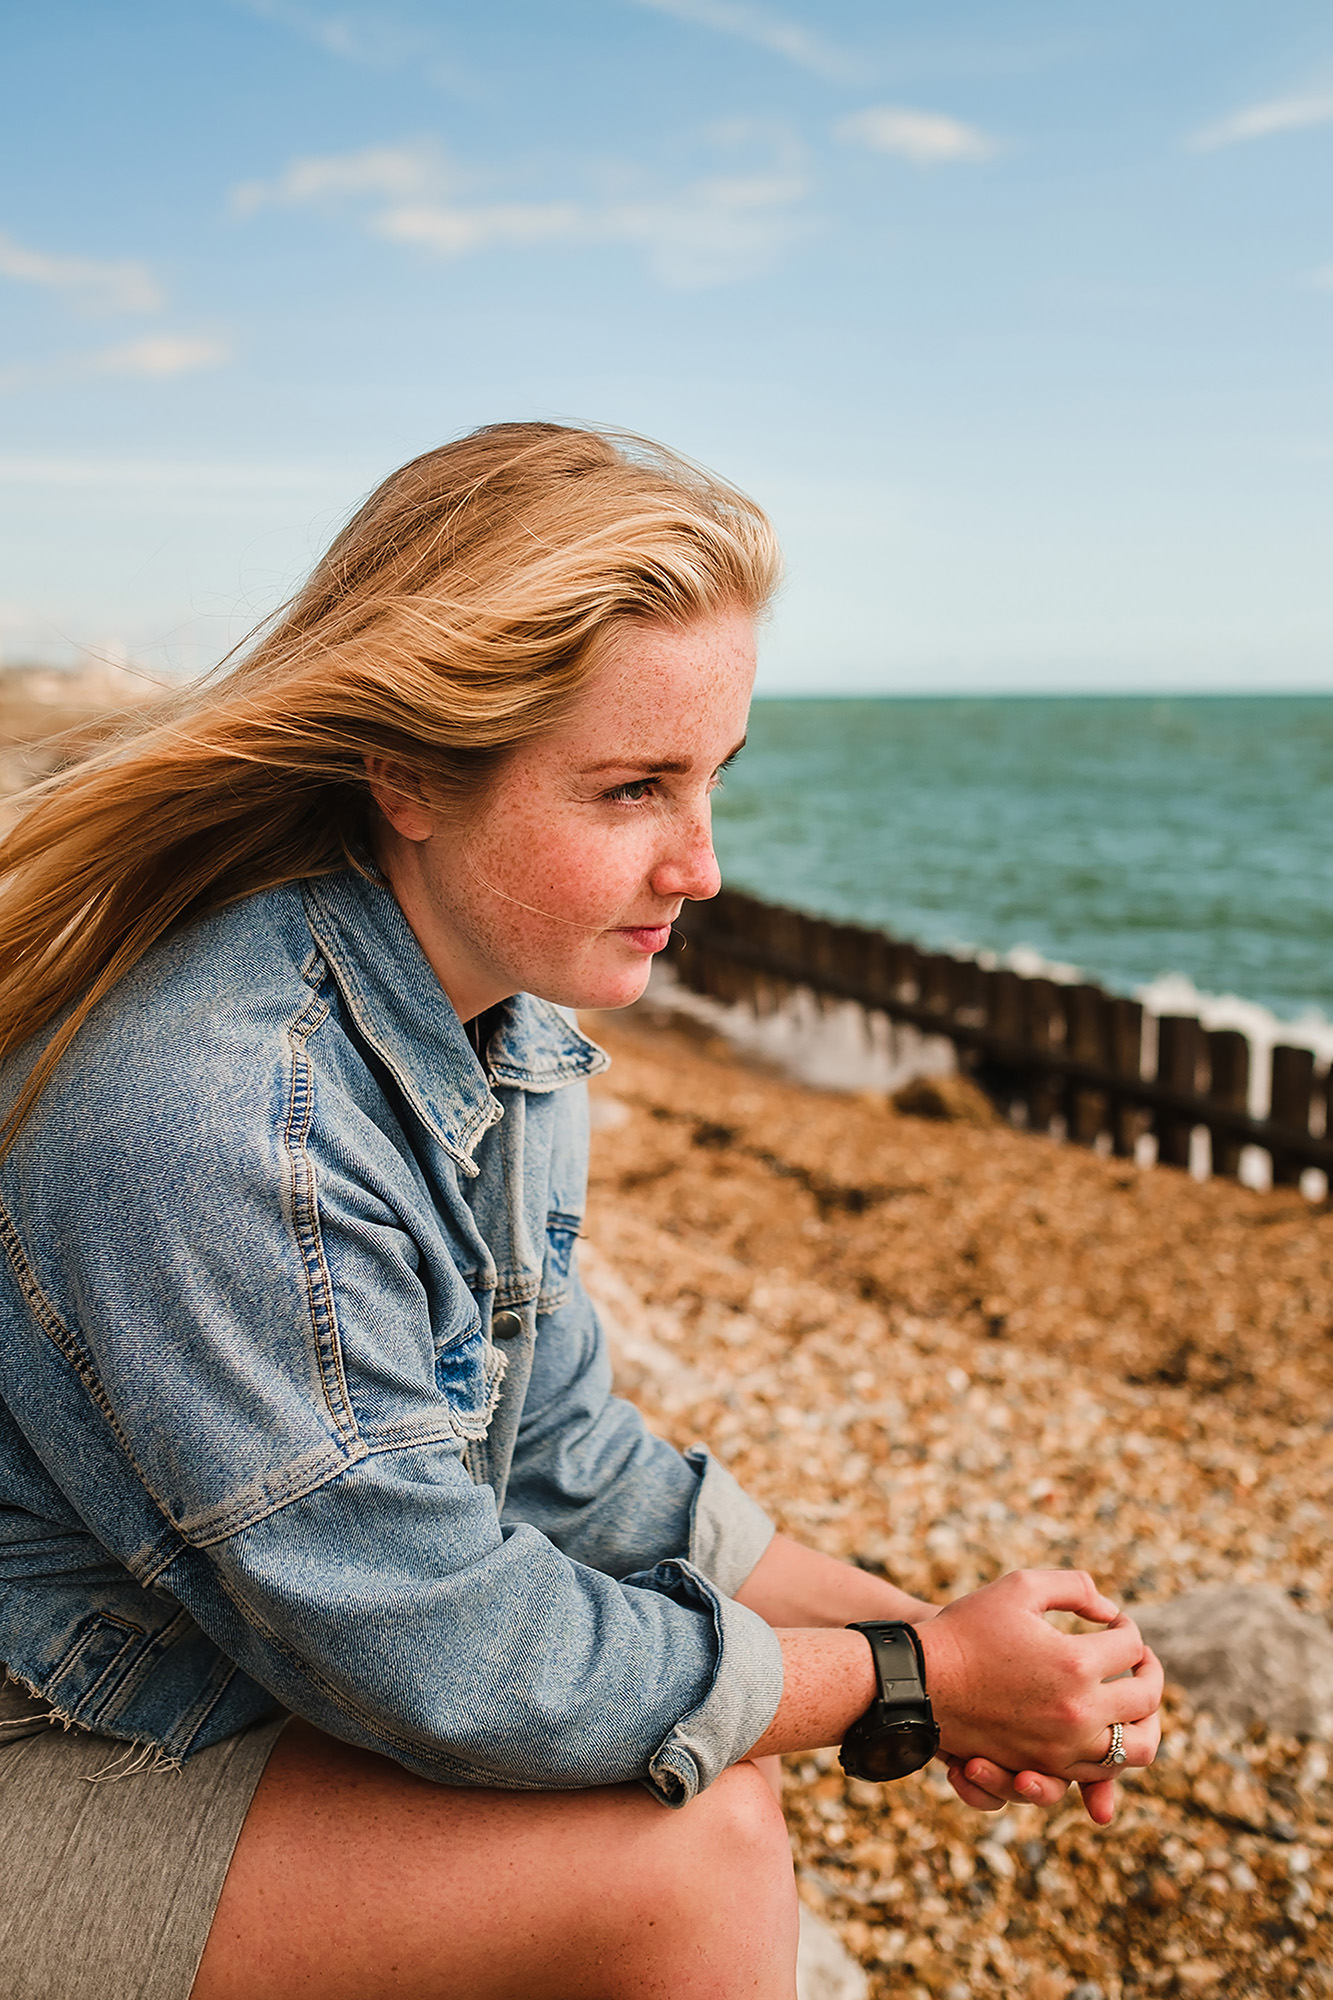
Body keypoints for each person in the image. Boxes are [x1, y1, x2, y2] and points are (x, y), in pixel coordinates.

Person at [0, 423, 1161, 2000]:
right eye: (630, 789)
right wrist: (910, 1685)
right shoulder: (222, 1112)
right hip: (52, 1746)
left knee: (696, 1788)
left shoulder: (503, 1020)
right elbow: (440, 1648)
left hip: (206, 1692)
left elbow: (554, 1456)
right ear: (407, 771)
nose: (701, 866)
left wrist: (962, 1648)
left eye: (710, 780)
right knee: (694, 1860)